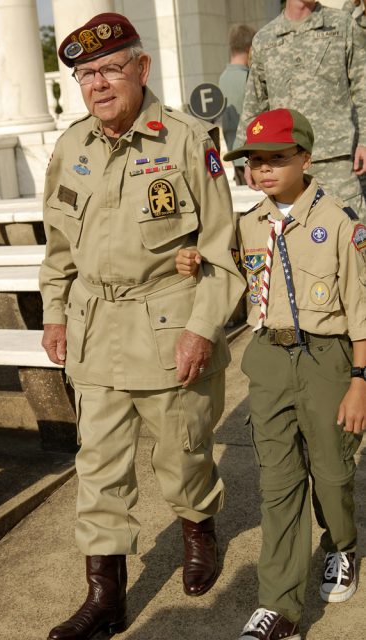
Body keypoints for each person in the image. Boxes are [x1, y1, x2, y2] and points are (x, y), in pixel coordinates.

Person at [39, 12, 245, 640]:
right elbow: (57, 246)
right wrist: (54, 311)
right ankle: (105, 595)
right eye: (84, 74)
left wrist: (203, 328)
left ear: (141, 69)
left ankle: (198, 525)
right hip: (96, 327)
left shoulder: (185, 140)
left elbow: (219, 250)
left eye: (108, 68)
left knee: (182, 456)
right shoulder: (71, 145)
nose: (96, 84)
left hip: (167, 326)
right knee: (98, 466)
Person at [176, 107, 366, 640]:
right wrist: (194, 261)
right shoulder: (249, 225)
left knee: (331, 474)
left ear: (305, 158)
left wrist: (360, 381)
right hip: (268, 359)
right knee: (278, 483)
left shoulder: (339, 223)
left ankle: (342, 544)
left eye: (277, 160)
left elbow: (361, 308)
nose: (263, 170)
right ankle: (279, 605)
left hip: (326, 359)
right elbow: (229, 274)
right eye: (255, 161)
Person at [236, 0, 366, 221]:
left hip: (336, 161)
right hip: (285, 163)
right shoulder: (265, 39)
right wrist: (247, 157)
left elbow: (362, 89)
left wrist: (364, 140)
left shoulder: (342, 26)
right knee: (297, 241)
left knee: (352, 238)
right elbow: (255, 103)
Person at [218, 24, 256, 186]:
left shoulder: (223, 77)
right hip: (251, 155)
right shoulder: (249, 78)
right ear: (250, 49)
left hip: (234, 152)